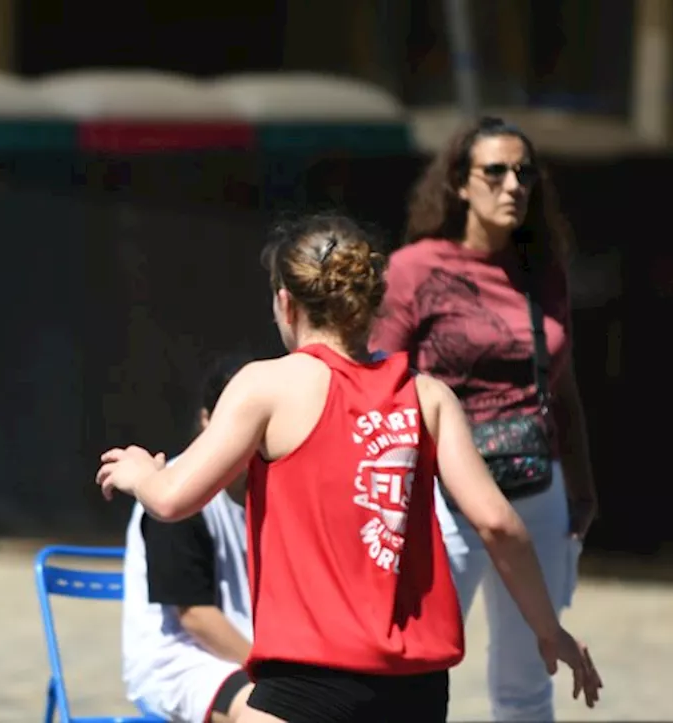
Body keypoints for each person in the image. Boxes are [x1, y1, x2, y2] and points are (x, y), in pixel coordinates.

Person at [95, 212, 602, 723]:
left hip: (308, 681)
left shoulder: (266, 386)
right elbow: (498, 524)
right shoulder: (428, 396)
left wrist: (140, 472)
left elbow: (171, 499)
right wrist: (547, 630)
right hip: (416, 687)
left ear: (285, 302)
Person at [371, 116, 597, 721]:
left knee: (530, 669)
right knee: (417, 656)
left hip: (536, 484)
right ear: (460, 184)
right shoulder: (415, 268)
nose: (512, 185)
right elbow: (378, 379)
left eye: (524, 173)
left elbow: (562, 382)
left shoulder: (542, 271)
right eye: (494, 171)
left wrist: (581, 484)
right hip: (446, 490)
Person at [122, 353, 254, 723]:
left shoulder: (280, 488)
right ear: (206, 420)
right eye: (236, 421)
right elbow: (194, 617)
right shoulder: (174, 489)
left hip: (252, 653)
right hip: (181, 659)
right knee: (268, 710)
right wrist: (271, 672)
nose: (247, 435)